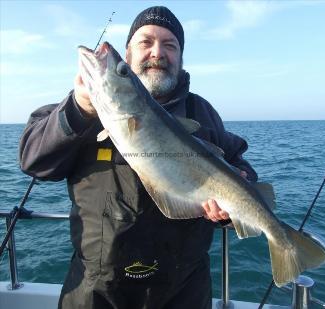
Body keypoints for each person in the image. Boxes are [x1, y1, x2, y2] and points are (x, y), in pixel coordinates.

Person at [19, 6, 258, 309]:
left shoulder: (202, 113)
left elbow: (238, 165)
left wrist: (231, 203)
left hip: (183, 292)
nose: (157, 52)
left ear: (180, 58)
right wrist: (78, 108)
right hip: (97, 293)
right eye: (146, 42)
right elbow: (33, 162)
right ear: (128, 56)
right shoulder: (82, 110)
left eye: (170, 45)